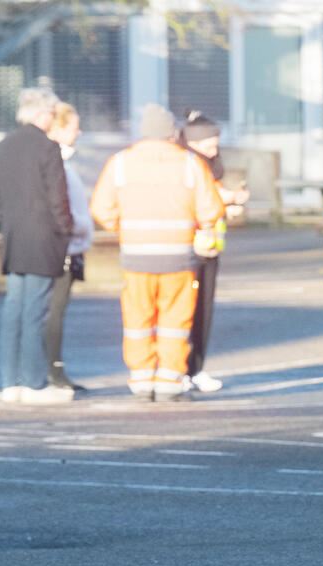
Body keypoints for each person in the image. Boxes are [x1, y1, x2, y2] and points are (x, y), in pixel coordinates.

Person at [89, 104, 226, 402]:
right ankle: (169, 379)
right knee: (175, 320)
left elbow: (101, 209)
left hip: (136, 256)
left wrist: (122, 228)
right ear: (171, 132)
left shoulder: (121, 163)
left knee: (138, 319)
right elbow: (211, 209)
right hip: (179, 257)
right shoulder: (189, 164)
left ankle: (141, 377)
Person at [0, 87, 75, 405]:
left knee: (14, 309)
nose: (53, 118)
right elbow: (57, 197)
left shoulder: (3, 146)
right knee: (35, 312)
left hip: (14, 237)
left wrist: (12, 215)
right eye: (51, 113)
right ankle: (35, 382)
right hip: (43, 239)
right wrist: (66, 230)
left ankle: (11, 382)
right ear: (41, 114)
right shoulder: (47, 149)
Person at [179, 111, 249, 393]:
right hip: (189, 249)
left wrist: (228, 207)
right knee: (185, 312)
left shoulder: (208, 166)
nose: (215, 148)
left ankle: (196, 368)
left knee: (203, 313)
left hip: (209, 250)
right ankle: (180, 369)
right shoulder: (187, 165)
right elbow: (200, 199)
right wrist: (228, 199)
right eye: (210, 141)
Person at [44, 101, 93, 391]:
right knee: (54, 311)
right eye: (74, 127)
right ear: (59, 128)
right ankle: (53, 370)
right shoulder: (56, 163)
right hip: (64, 245)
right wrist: (75, 229)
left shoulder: (63, 162)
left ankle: (54, 368)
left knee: (56, 310)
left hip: (71, 243)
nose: (79, 132)